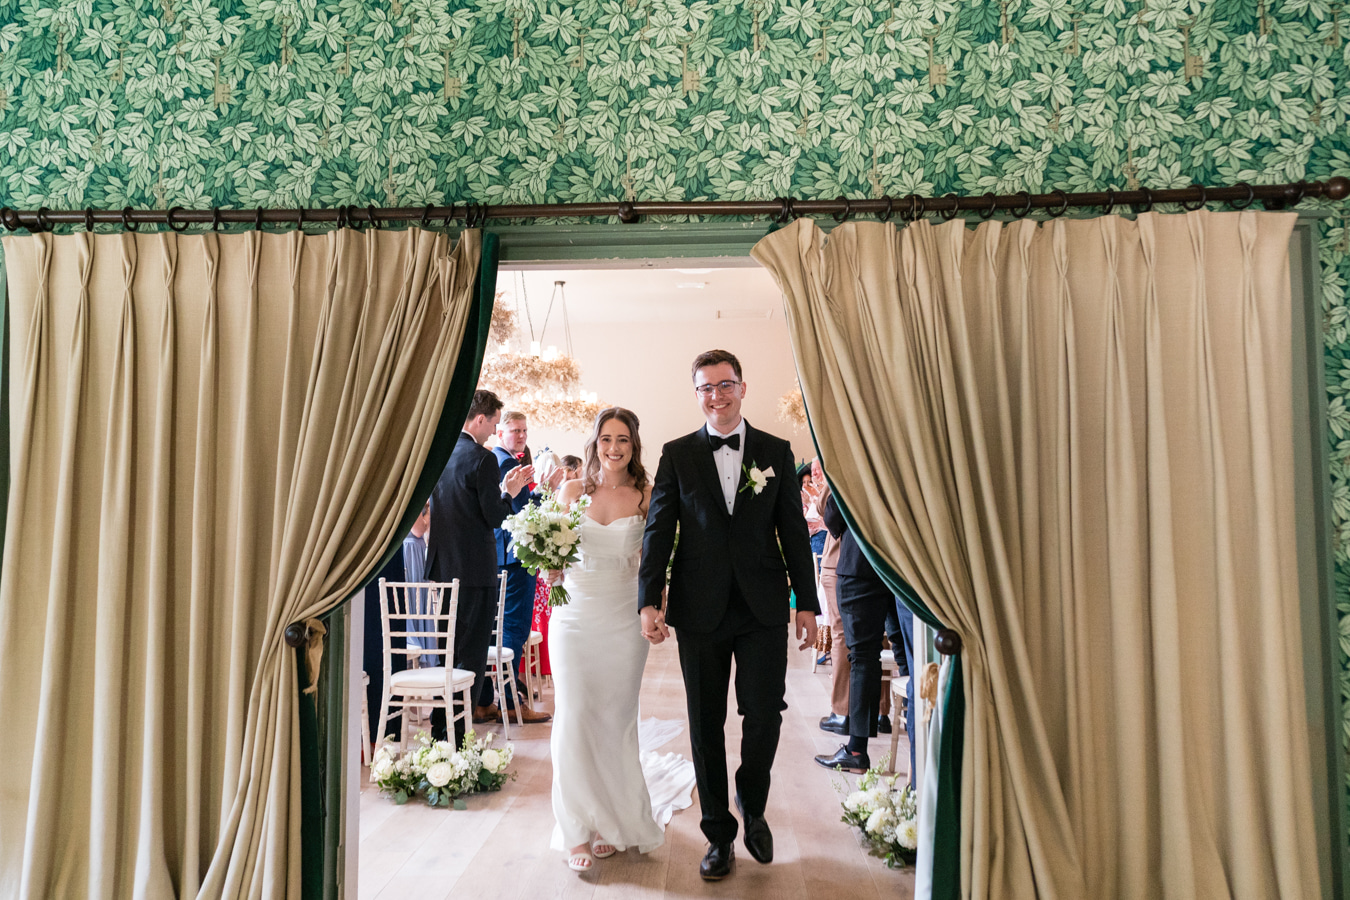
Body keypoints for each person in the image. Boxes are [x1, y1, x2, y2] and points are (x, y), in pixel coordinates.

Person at [638, 349, 819, 881]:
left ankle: (753, 801)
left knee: (764, 713)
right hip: (699, 608)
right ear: (695, 394)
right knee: (705, 723)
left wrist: (806, 603)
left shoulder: (776, 451)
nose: (715, 395)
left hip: (763, 606)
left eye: (725, 384)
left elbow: (793, 532)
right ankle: (718, 833)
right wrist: (650, 599)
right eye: (705, 388)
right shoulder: (676, 455)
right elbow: (658, 533)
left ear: (743, 387)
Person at [546, 408, 695, 872]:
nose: (614, 448)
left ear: (634, 445)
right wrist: (548, 568)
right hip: (573, 617)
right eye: (606, 439)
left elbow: (661, 563)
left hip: (624, 617)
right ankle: (576, 831)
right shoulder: (571, 491)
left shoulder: (648, 496)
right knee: (573, 715)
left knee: (615, 719)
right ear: (595, 443)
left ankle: (610, 821)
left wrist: (659, 609)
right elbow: (548, 557)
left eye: (623, 440)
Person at [425, 389, 534, 746]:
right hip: (474, 572)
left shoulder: (439, 454)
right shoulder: (481, 459)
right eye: (495, 424)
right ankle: (459, 740)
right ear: (482, 419)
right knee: (469, 657)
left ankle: (440, 733)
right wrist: (509, 490)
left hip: (442, 569)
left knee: (447, 653)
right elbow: (495, 517)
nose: (494, 431)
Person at [814, 490, 901, 774]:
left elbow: (833, 517)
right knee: (905, 656)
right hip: (901, 561)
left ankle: (856, 751)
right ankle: (922, 755)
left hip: (860, 562)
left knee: (863, 657)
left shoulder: (854, 456)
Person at [485, 411, 554, 724]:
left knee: (499, 631)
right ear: (500, 433)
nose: (522, 436)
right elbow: (523, 512)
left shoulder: (505, 461)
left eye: (525, 430)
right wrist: (545, 491)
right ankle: (511, 703)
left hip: (503, 555)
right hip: (515, 555)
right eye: (514, 430)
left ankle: (487, 700)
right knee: (514, 629)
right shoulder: (507, 463)